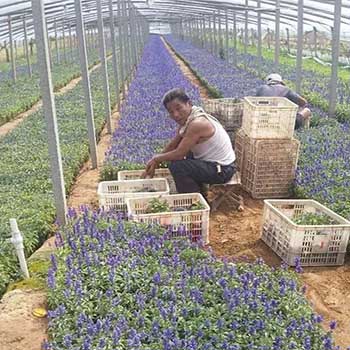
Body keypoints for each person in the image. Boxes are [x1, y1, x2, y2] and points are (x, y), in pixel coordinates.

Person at [143, 88, 236, 194]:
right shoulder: (188, 119)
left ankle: (194, 202)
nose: (176, 115)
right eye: (171, 112)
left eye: (179, 108)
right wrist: (155, 160)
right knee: (181, 157)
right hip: (213, 164)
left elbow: (179, 153)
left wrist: (157, 158)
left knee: (178, 166)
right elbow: (174, 144)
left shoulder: (197, 123)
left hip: (223, 170)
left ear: (189, 103)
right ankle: (199, 191)